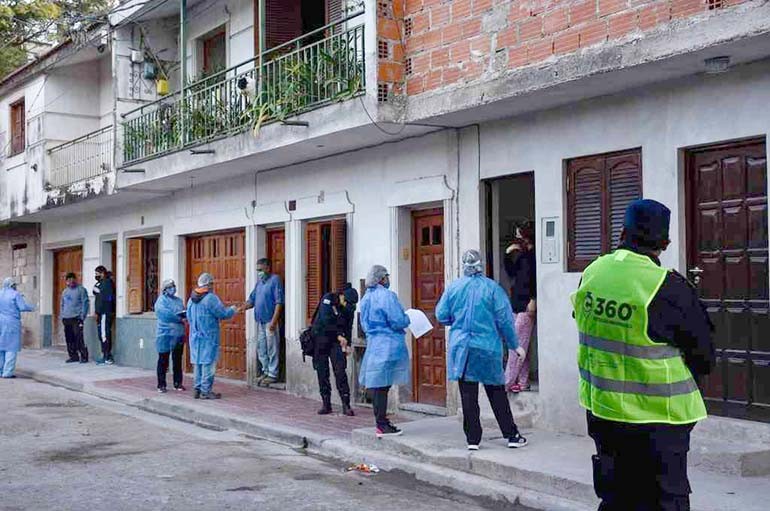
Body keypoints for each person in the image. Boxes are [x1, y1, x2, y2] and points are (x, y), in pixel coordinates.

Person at [573, 199, 714, 511]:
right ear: (665, 243)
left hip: (603, 412)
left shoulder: (592, 273)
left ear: (622, 233)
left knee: (616, 498)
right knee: (663, 501)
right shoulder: (668, 287)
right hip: (660, 421)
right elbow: (705, 357)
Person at [436, 249, 528, 451]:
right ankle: (511, 435)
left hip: (462, 349)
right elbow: (505, 321)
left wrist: (458, 321)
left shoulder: (453, 288)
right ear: (481, 265)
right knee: (496, 393)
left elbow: (441, 315)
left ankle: (473, 440)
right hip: (487, 348)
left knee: (468, 395)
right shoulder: (493, 289)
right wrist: (515, 345)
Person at [358, 265, 410, 437]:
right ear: (382, 278)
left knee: (378, 384)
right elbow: (397, 320)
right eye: (386, 276)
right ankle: (382, 424)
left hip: (374, 344)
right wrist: (407, 318)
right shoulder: (387, 296)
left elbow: (364, 324)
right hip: (389, 344)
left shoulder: (366, 298)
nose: (388, 279)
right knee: (383, 386)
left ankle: (381, 422)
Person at [187, 272, 237, 399]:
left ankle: (197, 389)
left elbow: (188, 317)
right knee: (208, 364)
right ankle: (205, 391)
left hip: (195, 338)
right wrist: (233, 309)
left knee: (198, 364)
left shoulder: (191, 299)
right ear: (209, 284)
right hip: (208, 338)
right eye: (212, 284)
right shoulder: (210, 298)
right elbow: (222, 313)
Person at [503, 225, 537, 393]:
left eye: (519, 236)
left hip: (526, 305)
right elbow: (511, 273)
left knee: (516, 345)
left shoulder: (534, 256)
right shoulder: (522, 256)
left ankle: (506, 383)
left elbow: (536, 279)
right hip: (516, 303)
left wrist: (534, 299)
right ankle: (522, 382)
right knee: (522, 345)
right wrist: (508, 254)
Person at [311, 291, 355, 416]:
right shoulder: (328, 299)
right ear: (342, 296)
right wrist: (339, 336)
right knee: (322, 372)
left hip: (336, 343)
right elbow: (326, 320)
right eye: (345, 302)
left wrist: (348, 344)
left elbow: (349, 326)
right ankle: (326, 404)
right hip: (321, 340)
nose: (346, 305)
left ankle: (346, 404)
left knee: (340, 371)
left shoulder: (349, 308)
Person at [242, 258, 284, 387]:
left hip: (270, 321)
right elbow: (251, 300)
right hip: (260, 321)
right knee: (261, 348)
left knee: (272, 348)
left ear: (268, 268)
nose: (259, 272)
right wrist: (241, 308)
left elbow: (279, 302)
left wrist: (274, 321)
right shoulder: (259, 283)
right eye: (257, 270)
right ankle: (265, 371)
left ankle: (273, 374)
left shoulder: (275, 280)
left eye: (260, 269)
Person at [154, 279, 186, 393]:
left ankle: (178, 383)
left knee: (177, 360)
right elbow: (165, 314)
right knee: (163, 360)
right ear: (165, 289)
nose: (173, 288)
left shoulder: (178, 301)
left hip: (178, 334)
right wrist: (178, 318)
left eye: (174, 286)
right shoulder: (161, 301)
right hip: (165, 334)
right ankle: (161, 384)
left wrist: (184, 316)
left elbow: (183, 312)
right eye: (170, 287)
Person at [0, 278, 35, 378]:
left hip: (1, 321)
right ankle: (7, 372)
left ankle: (0, 370)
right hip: (12, 322)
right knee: (11, 347)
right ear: (12, 285)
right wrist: (32, 307)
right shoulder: (15, 294)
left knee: (1, 347)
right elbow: (22, 307)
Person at [61, 272, 89, 364]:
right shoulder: (65, 292)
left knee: (79, 338)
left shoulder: (81, 290)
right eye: (69, 280)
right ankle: (73, 356)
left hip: (76, 318)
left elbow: (85, 303)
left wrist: (82, 316)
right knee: (69, 338)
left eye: (72, 279)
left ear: (75, 280)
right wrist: (62, 316)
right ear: (66, 281)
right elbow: (62, 304)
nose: (71, 282)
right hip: (66, 318)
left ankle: (84, 356)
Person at [93, 265, 116, 365]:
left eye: (97, 274)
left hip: (105, 313)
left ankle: (107, 357)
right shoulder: (100, 283)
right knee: (101, 335)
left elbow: (105, 297)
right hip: (100, 313)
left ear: (102, 273)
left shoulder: (107, 283)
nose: (96, 275)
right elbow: (95, 291)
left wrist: (99, 312)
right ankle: (105, 355)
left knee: (104, 335)